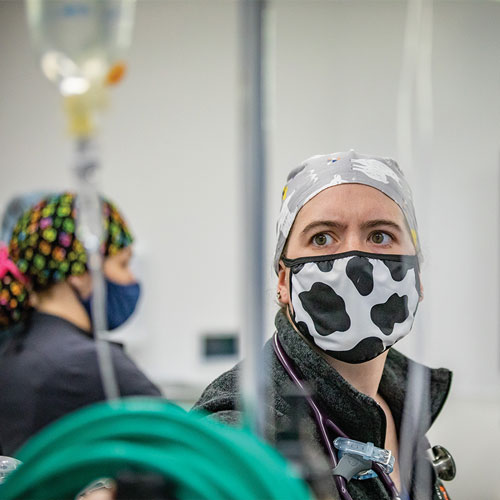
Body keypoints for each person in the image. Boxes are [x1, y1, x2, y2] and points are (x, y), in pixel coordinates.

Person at [193, 150, 453, 499]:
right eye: (322, 238)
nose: (355, 260)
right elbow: (210, 462)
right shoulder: (253, 417)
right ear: (283, 280)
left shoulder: (401, 403)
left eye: (379, 236)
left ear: (417, 278)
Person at [0, 192, 161, 456]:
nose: (131, 277)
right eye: (123, 263)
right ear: (78, 273)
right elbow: (193, 449)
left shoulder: (12, 352)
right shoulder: (89, 363)